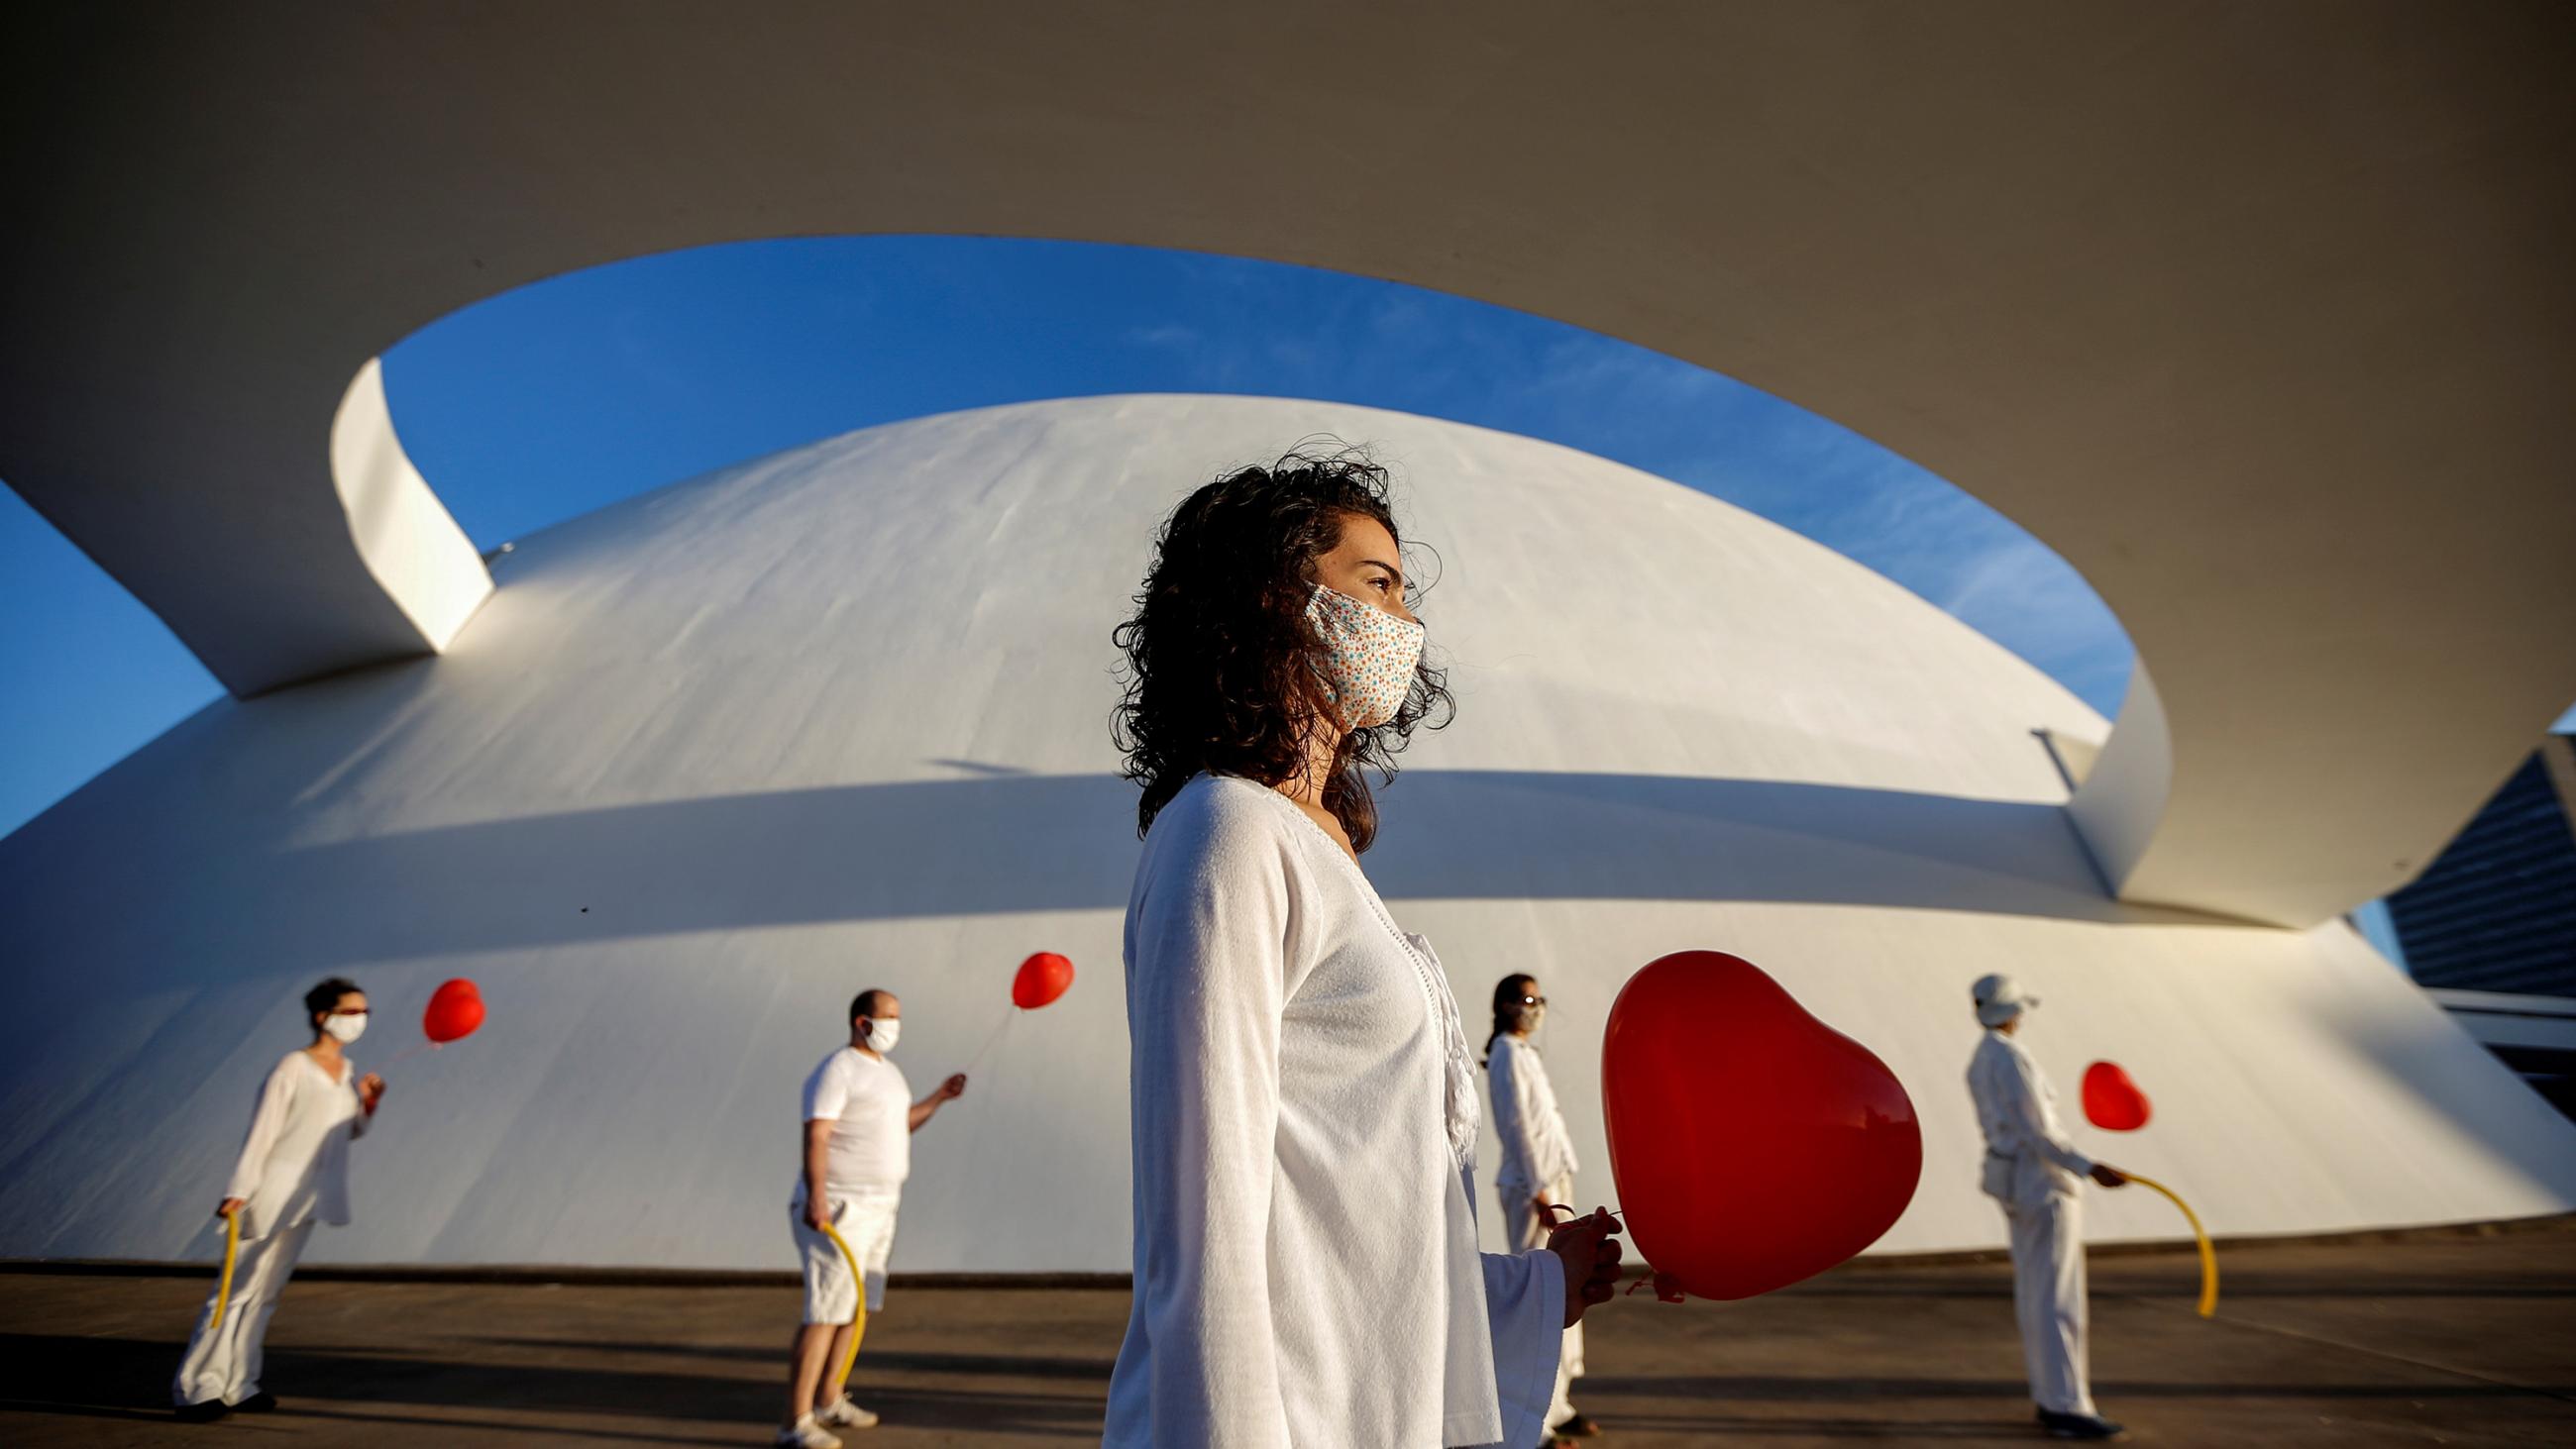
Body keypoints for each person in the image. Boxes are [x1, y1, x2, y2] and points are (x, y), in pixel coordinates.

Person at [1104, 450, 1625, 1448]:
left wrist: (1532, 1287)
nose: (1407, 623)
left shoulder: (1323, 851)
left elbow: (1357, 1217)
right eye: (1375, 583)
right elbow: (1205, 1230)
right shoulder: (1228, 829)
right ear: (1274, 597)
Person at [172, 977, 385, 1420]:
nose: (359, 1020)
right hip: (269, 1190)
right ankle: (198, 1389)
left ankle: (240, 1384)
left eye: (364, 1012)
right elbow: (262, 1131)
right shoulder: (292, 1066)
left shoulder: (346, 1073)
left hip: (309, 1197)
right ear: (321, 1016)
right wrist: (238, 1190)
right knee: (234, 1290)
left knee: (266, 1294)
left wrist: (368, 1104)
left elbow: (345, 1134)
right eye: (350, 1012)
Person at [778, 988, 968, 1449]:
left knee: (854, 1311)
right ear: (862, 1023)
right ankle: (795, 1422)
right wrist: (818, 1197)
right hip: (839, 1207)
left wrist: (939, 1098)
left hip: (881, 1207)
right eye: (888, 1018)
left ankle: (829, 1399)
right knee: (825, 1312)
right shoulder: (837, 1070)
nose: (895, 1027)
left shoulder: (888, 1074)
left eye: (899, 1018)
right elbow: (817, 1134)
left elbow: (899, 1123)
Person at [1966, 974, 2131, 1442]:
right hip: (2042, 1185)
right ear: (2012, 1013)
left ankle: (2051, 1396)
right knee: (2058, 1298)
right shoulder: (2010, 1059)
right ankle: (2067, 1406)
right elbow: (2040, 1132)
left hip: (2015, 1183)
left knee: (2035, 1293)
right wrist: (2089, 1166)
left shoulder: (1980, 1060)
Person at [1486, 974, 1600, 1444]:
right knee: (1544, 1295)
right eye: (1526, 999)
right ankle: (1533, 1419)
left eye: (1539, 1000)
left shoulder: (1524, 1054)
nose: (1535, 1008)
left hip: (1552, 1182)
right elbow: (1518, 1128)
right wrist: (1540, 1193)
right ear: (1507, 1006)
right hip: (1535, 1191)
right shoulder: (1507, 1055)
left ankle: (1559, 1404)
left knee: (1569, 1291)